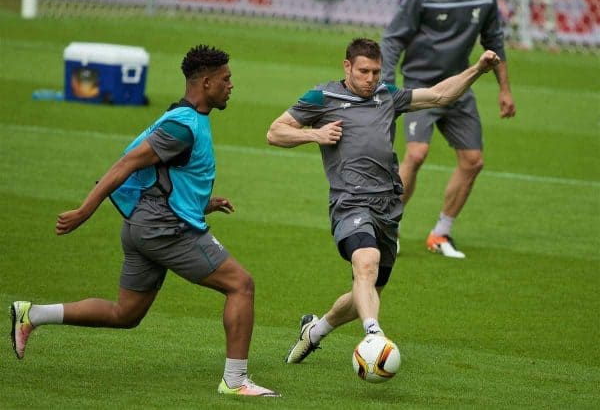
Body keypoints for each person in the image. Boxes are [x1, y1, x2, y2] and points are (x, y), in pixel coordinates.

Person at [10, 45, 279, 398]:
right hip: (163, 230)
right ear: (207, 82)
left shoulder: (188, 118)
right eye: (227, 79)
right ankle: (235, 380)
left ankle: (33, 314)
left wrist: (204, 203)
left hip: (145, 226)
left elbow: (167, 176)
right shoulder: (181, 127)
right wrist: (83, 211)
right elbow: (125, 165)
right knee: (241, 285)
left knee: (126, 314)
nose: (232, 85)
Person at [267, 38, 500, 363]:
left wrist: (478, 69)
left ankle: (315, 331)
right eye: (364, 71)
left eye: (376, 71)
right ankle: (374, 335)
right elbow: (275, 132)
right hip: (350, 204)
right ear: (347, 66)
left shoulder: (386, 95)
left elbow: (440, 94)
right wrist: (314, 134)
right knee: (366, 263)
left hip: (388, 207)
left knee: (367, 290)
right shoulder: (322, 97)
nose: (371, 78)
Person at [381, 0, 516, 258]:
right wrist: (386, 84)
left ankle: (440, 233)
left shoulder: (486, 0)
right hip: (421, 85)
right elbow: (392, 38)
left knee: (473, 161)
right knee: (417, 153)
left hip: (460, 86)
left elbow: (494, 42)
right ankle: (389, 229)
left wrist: (505, 90)